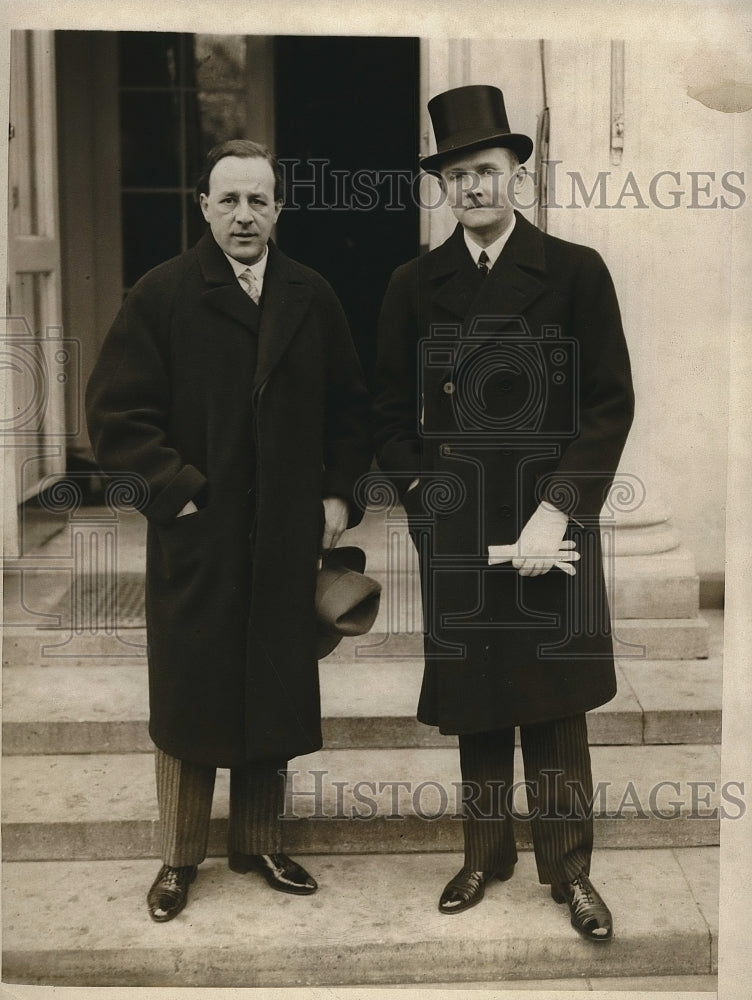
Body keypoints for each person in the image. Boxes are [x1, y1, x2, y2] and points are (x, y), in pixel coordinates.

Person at [86, 139, 371, 922]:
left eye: (259, 201)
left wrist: (340, 496)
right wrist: (179, 496)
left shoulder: (311, 295)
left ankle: (262, 842)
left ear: (279, 209)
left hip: (285, 540)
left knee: (271, 688)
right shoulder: (162, 294)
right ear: (203, 207)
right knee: (191, 697)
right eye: (229, 201)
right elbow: (115, 417)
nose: (244, 216)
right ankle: (179, 858)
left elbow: (353, 411)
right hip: (199, 539)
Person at [374, 86, 634, 942]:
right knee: (477, 693)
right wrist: (423, 505)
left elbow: (607, 407)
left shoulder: (574, 271)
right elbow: (390, 415)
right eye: (457, 174)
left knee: (554, 700)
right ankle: (483, 854)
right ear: (444, 185)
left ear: (517, 172)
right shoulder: (415, 284)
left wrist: (559, 511)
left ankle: (572, 871)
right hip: (459, 522)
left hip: (547, 523)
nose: (474, 187)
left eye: (487, 169)